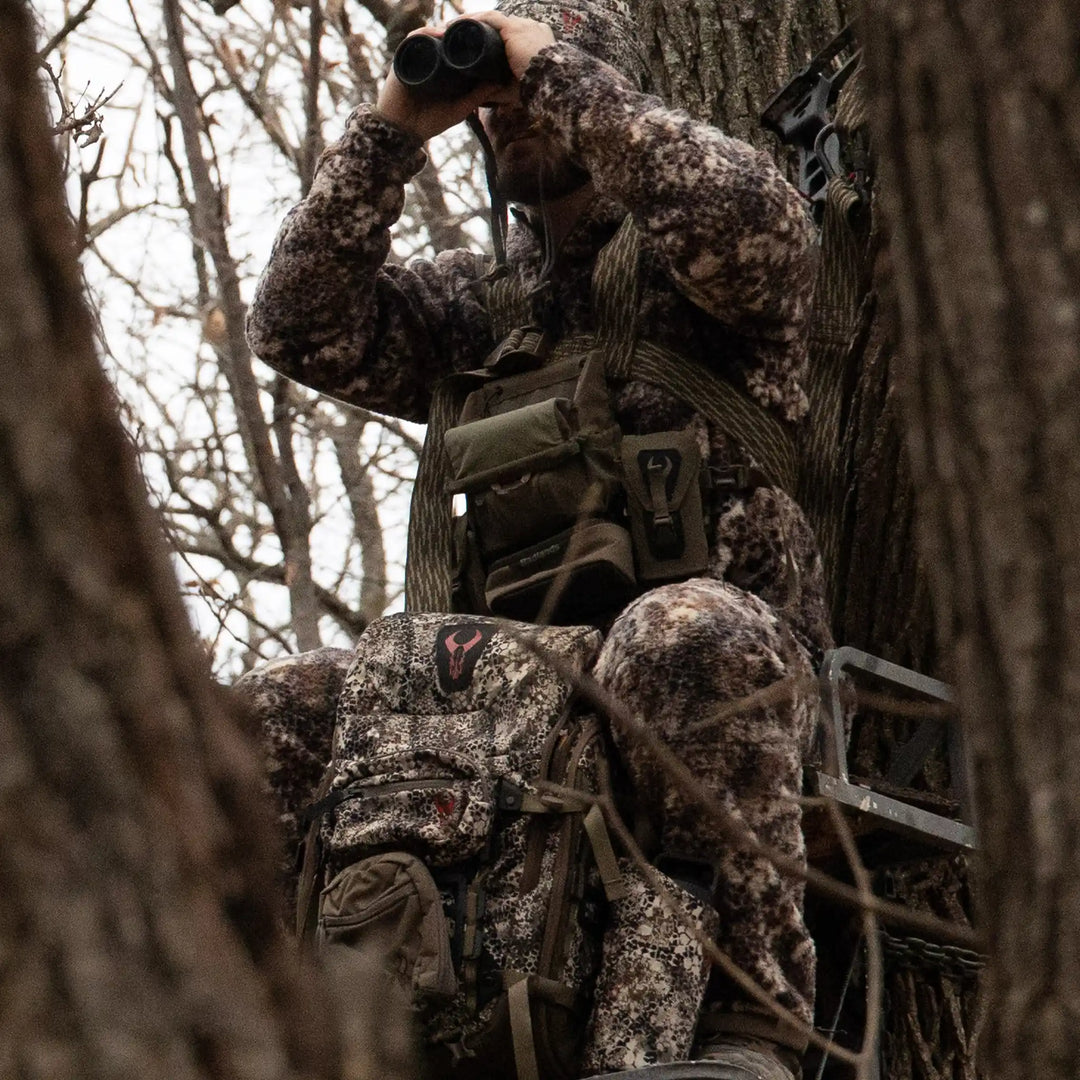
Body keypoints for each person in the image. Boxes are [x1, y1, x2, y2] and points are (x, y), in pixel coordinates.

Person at [240, 2, 833, 1077]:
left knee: (674, 629)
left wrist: (552, 74)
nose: (510, 118)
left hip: (712, 679)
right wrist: (396, 127)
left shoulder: (710, 265)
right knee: (268, 710)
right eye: (494, 109)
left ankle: (753, 1030)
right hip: (500, 702)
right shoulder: (475, 305)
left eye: (529, 98)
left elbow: (749, 215)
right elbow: (293, 320)